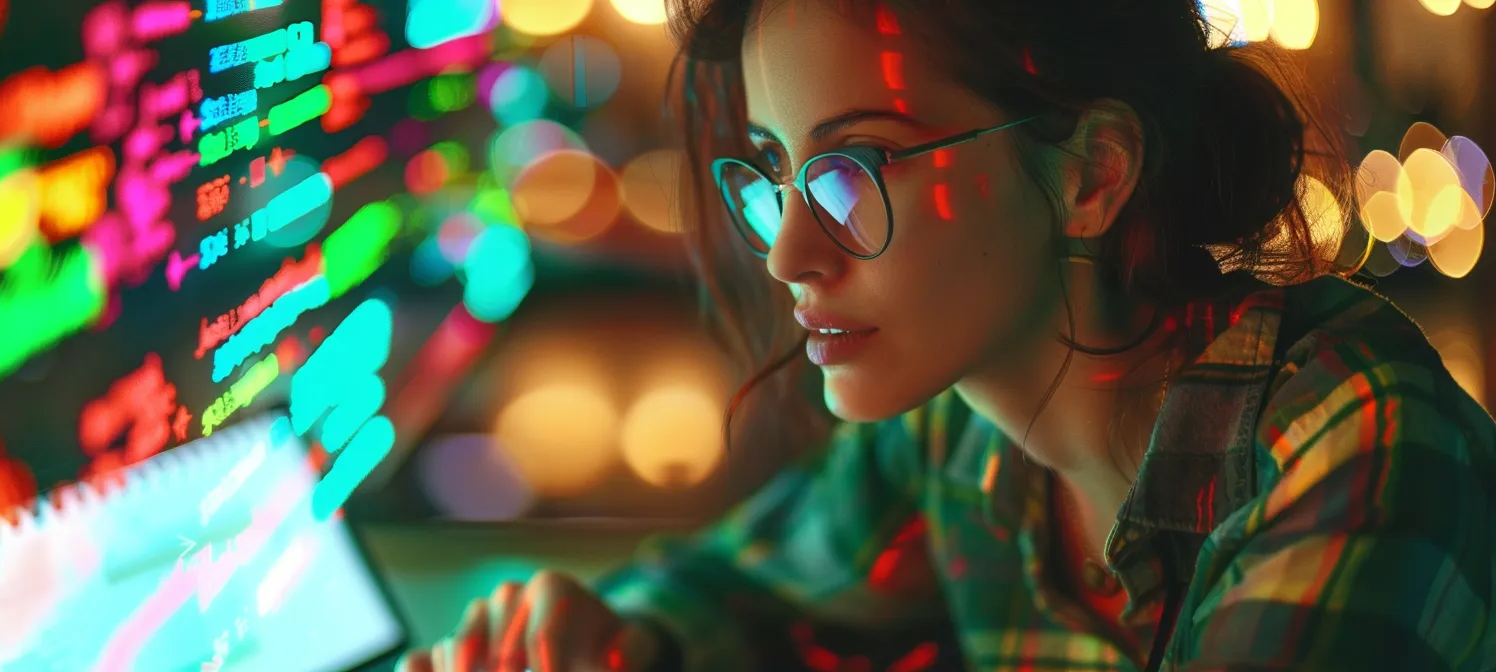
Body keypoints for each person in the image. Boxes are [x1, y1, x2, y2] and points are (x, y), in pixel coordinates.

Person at [400, 0, 1496, 669]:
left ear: (1091, 176)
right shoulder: (958, 445)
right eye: (777, 169)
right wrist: (602, 638)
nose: (786, 254)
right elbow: (731, 594)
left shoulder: (1354, 439)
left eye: (852, 167)